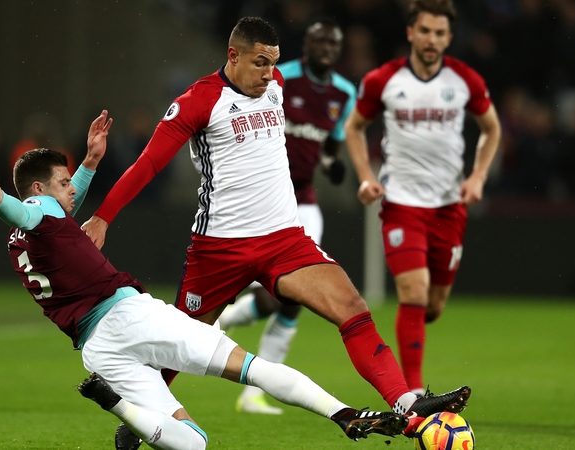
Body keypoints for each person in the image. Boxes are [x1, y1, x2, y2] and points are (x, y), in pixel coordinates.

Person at [80, 16, 470, 430]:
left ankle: (407, 401)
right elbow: (149, 163)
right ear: (233, 55)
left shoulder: (276, 86)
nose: (269, 74)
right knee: (181, 344)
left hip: (285, 240)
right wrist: (103, 217)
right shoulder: (198, 100)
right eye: (260, 63)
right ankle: (141, 415)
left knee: (352, 308)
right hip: (219, 249)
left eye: (274, 63)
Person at [0, 111, 409, 450]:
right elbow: (31, 208)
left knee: (192, 442)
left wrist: (90, 163)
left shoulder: (27, 235)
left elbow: (50, 210)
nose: (71, 188)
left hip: (95, 350)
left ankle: (115, 404)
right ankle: (343, 413)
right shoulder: (31, 212)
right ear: (37, 190)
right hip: (130, 315)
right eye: (62, 181)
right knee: (251, 368)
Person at [343, 0, 502, 395]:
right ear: (411, 33)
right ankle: (413, 394)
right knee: (412, 292)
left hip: (449, 207)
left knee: (432, 305)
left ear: (449, 37)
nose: (431, 39)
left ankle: (415, 337)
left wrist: (478, 176)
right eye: (425, 31)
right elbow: (354, 127)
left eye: (439, 33)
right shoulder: (384, 80)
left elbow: (492, 128)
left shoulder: (465, 80)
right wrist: (366, 177)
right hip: (401, 204)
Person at [216, 17, 356, 415]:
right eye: (319, 41)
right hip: (263, 195)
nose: (326, 48)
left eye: (333, 42)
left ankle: (251, 387)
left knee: (297, 295)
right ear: (307, 46)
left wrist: (332, 164)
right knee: (283, 291)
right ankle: (222, 319)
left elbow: (330, 144)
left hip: (305, 200)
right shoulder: (277, 77)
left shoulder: (345, 93)